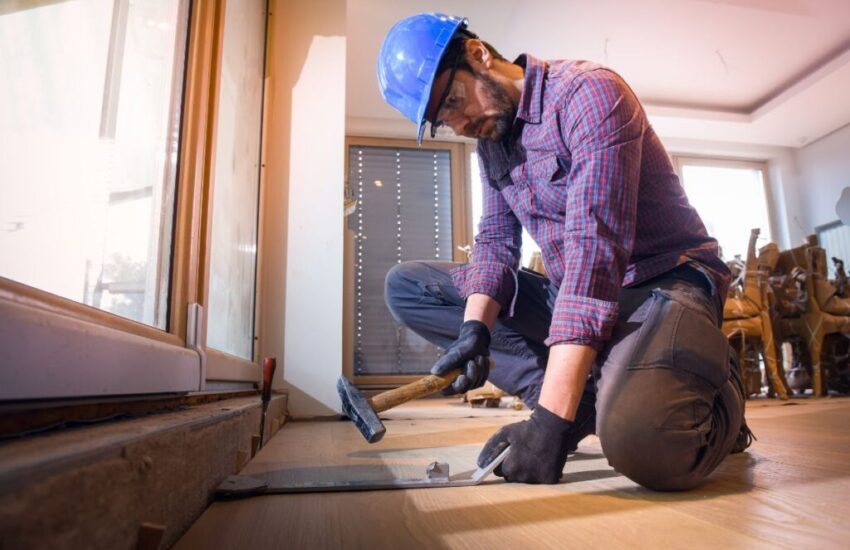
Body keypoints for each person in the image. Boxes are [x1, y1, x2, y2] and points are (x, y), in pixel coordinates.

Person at [377, 13, 752, 490]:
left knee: (646, 446)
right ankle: (586, 407)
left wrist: (548, 424)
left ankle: (718, 387)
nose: (461, 123)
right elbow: (494, 241)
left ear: (478, 55)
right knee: (410, 287)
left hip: (662, 282)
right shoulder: (493, 140)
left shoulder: (589, 94)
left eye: (453, 101)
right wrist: (473, 330)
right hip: (581, 291)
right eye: (444, 120)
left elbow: (595, 251)